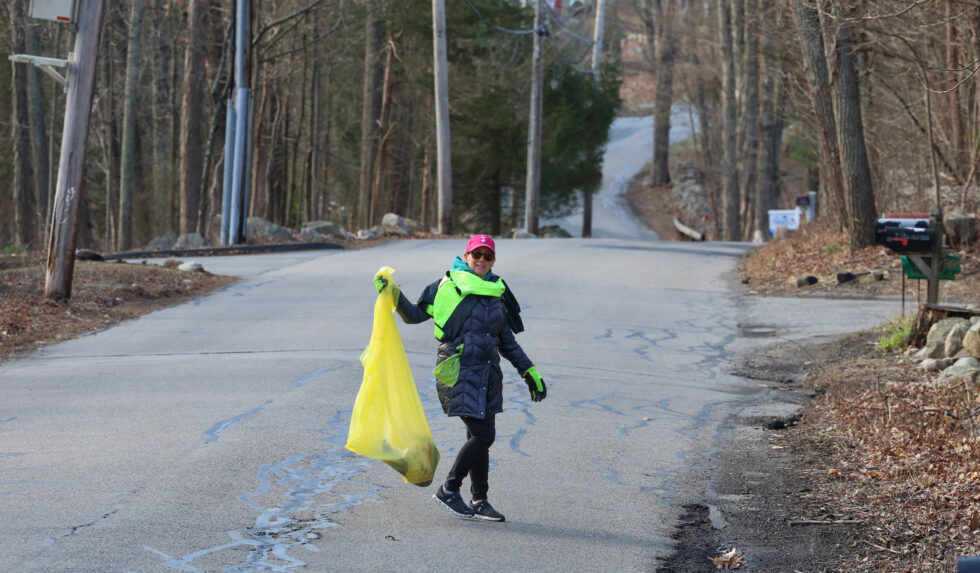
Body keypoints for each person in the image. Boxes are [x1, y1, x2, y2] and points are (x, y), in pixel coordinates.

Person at [373, 234, 547, 522]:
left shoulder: (495, 292)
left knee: (478, 436)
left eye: (487, 255)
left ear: (493, 260)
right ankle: (449, 489)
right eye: (475, 254)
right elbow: (415, 315)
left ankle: (479, 500)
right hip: (458, 370)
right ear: (466, 256)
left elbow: (506, 341)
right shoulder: (446, 286)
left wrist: (529, 370)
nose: (480, 260)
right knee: (483, 435)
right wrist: (392, 293)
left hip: (488, 373)